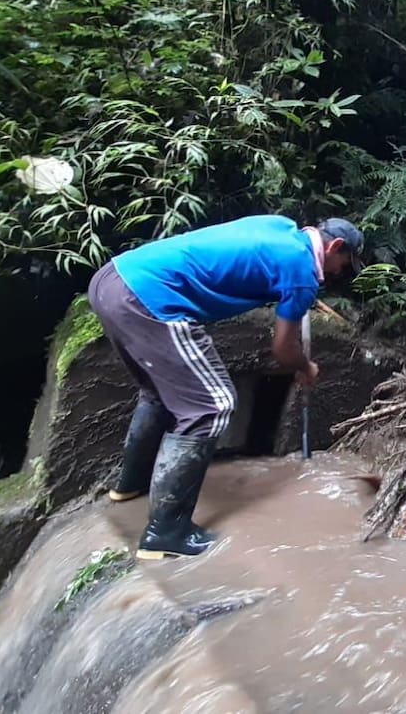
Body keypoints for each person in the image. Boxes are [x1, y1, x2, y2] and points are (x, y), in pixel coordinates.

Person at [88, 215, 364, 558]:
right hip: (150, 299)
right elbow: (283, 349)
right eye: (344, 264)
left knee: (159, 395)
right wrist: (306, 367)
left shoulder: (278, 226)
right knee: (211, 406)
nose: (339, 273)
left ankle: (129, 487)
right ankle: (166, 532)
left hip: (111, 281)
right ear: (334, 247)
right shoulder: (301, 270)